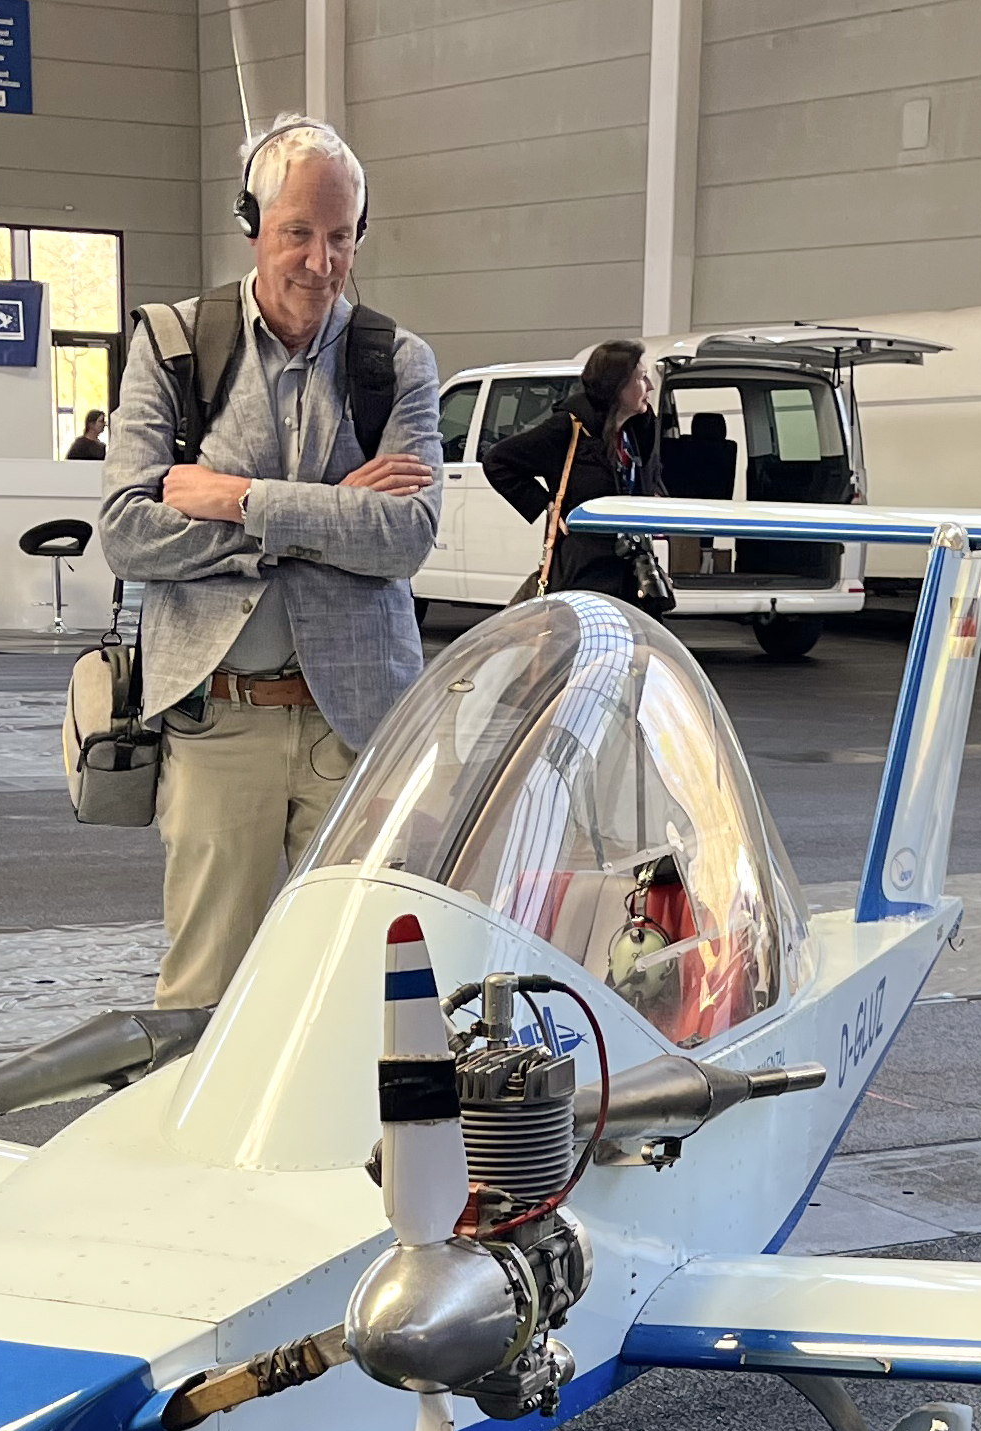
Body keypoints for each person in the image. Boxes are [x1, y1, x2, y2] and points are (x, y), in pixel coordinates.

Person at [99, 115, 442, 1011]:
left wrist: (241, 500)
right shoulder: (174, 347)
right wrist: (336, 511)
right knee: (206, 991)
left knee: (367, 987)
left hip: (360, 724)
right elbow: (130, 532)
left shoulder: (395, 362)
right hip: (220, 728)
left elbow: (405, 536)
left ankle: (358, 1151)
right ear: (252, 223)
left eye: (340, 237)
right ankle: (192, 1150)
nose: (321, 263)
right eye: (298, 233)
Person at [484, 339, 662, 602]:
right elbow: (497, 461)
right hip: (586, 571)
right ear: (616, 385)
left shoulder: (639, 430)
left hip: (634, 570)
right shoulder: (568, 427)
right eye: (641, 378)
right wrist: (547, 505)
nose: (650, 386)